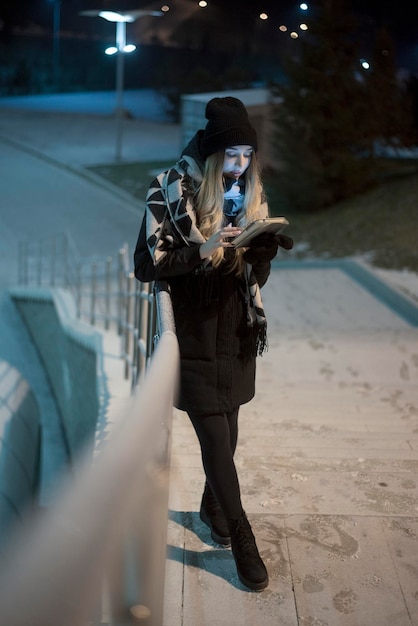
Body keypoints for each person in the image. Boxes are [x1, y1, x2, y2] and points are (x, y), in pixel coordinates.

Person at [134, 96, 293, 591]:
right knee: (216, 441)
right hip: (196, 329)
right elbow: (145, 265)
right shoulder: (168, 190)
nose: (240, 165)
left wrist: (261, 254)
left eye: (247, 155)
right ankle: (243, 535)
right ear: (211, 154)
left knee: (230, 421)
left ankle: (212, 504)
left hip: (238, 330)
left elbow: (251, 276)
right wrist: (199, 251)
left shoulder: (248, 193)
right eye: (231, 156)